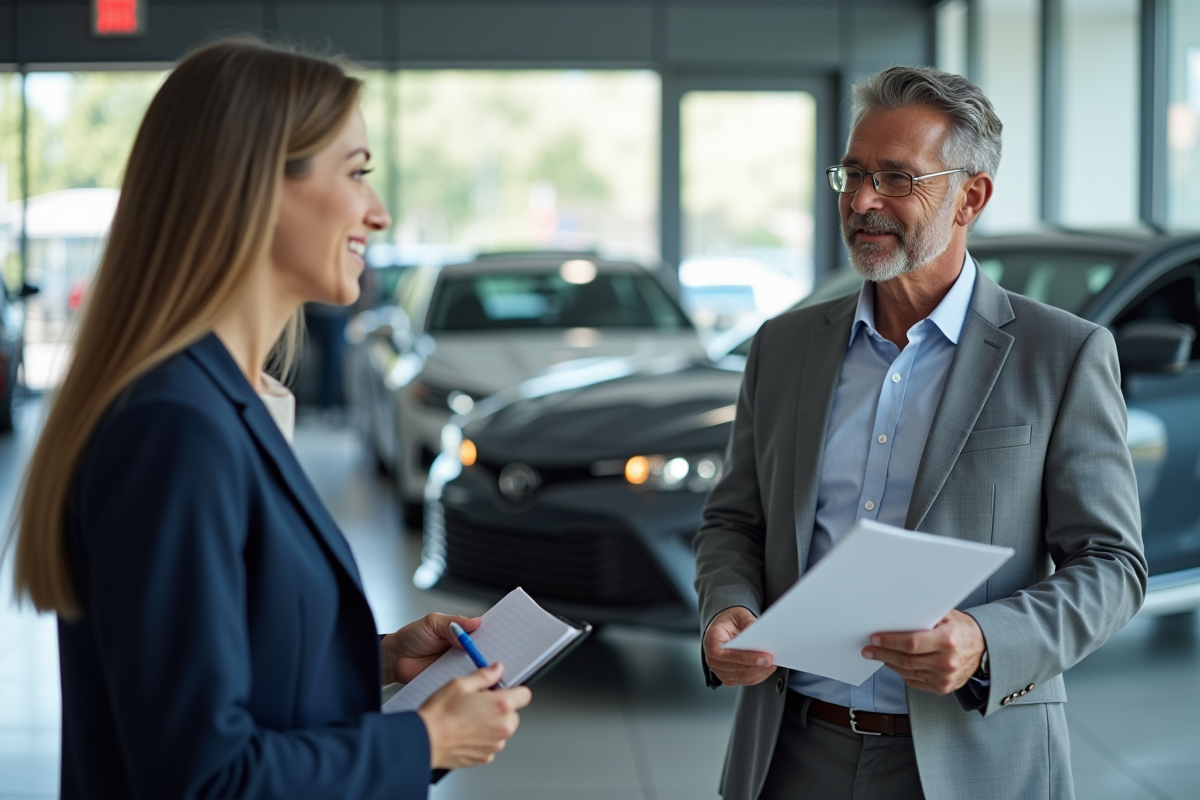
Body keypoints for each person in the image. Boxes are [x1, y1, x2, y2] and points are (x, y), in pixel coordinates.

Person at [7, 38, 530, 800]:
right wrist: (423, 740)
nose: (378, 215)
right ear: (257, 189)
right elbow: (203, 779)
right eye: (356, 174)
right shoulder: (173, 429)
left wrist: (373, 662)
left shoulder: (224, 400)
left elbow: (227, 663)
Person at [693, 65, 1146, 800]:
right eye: (853, 174)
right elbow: (732, 521)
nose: (864, 201)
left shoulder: (1062, 354)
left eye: (898, 179)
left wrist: (985, 641)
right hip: (788, 753)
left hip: (976, 757)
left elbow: (1112, 565)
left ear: (972, 196)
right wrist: (729, 608)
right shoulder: (783, 347)